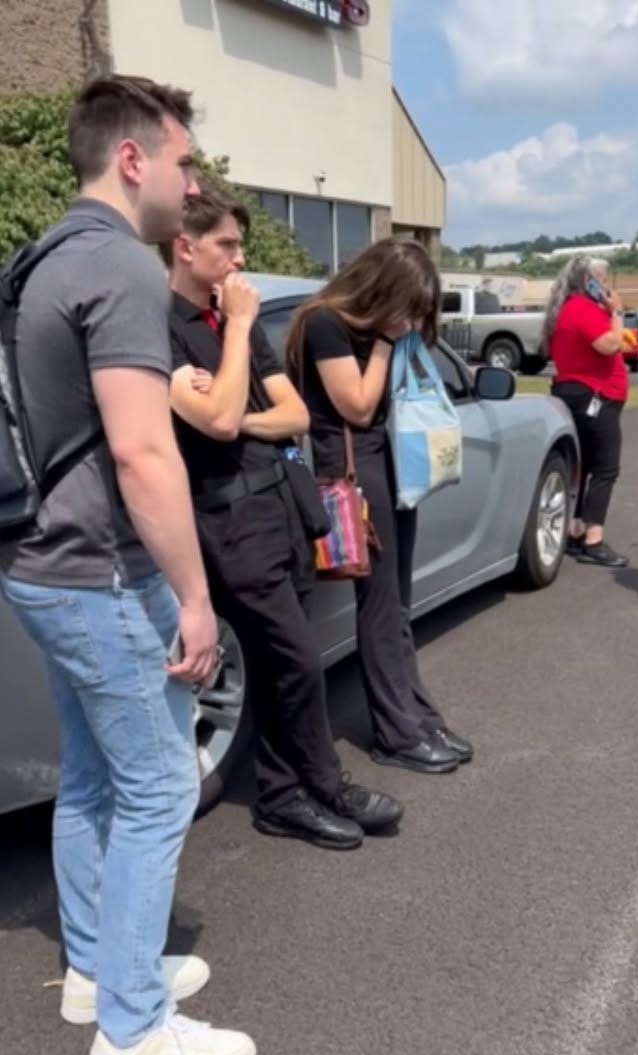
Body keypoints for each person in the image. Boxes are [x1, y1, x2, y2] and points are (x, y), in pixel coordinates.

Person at [0, 76, 256, 1055]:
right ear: (134, 157)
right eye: (184, 162)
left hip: (41, 563)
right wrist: (194, 600)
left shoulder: (41, 259)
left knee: (95, 777)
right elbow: (145, 453)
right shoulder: (116, 265)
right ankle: (134, 1033)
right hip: (100, 573)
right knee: (159, 786)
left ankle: (97, 972)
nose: (193, 183)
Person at [162, 187, 403, 851]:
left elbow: (292, 413)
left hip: (282, 506)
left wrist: (237, 410)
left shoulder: (224, 322)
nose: (240, 259)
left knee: (282, 662)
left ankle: (282, 794)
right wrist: (239, 338)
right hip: (227, 518)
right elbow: (212, 422)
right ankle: (328, 784)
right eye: (227, 245)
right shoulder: (165, 325)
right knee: (296, 657)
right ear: (186, 247)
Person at [287, 238, 473, 775]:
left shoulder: (374, 328)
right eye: (409, 305)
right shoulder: (325, 323)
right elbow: (358, 406)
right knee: (379, 605)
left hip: (388, 464)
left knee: (397, 604)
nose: (414, 319)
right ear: (383, 291)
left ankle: (417, 714)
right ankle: (396, 732)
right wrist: (388, 343)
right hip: (353, 469)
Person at [542, 255, 629, 568]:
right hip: (595, 395)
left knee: (586, 464)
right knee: (605, 468)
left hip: (582, 393)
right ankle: (593, 538)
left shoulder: (570, 308)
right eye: (602, 281)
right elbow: (609, 344)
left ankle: (576, 528)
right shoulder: (582, 309)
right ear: (588, 281)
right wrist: (616, 312)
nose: (606, 287)